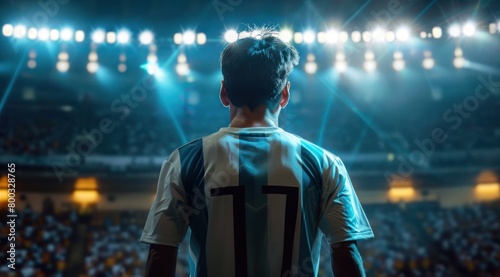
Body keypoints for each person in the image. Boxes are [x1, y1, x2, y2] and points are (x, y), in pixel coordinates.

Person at [140, 27, 374, 277]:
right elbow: (346, 252)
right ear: (284, 94)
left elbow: (161, 253)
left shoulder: (185, 160)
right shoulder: (324, 163)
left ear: (224, 92)